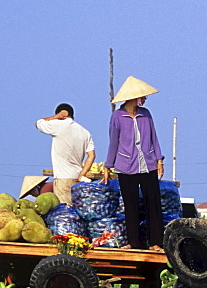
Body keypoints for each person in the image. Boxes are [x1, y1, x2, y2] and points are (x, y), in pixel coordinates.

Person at [102, 76, 165, 252]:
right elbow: (113, 142)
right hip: (125, 166)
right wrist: (108, 165)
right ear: (134, 98)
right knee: (131, 206)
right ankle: (134, 242)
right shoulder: (117, 117)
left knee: (153, 204)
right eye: (142, 96)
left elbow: (154, 137)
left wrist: (159, 160)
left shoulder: (146, 114)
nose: (145, 99)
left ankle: (155, 243)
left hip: (148, 164)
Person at [35, 103, 96, 206]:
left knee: (66, 214)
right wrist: (82, 174)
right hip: (78, 178)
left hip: (63, 178)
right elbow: (92, 155)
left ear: (62, 115)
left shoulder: (59, 125)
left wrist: (56, 117)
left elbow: (38, 123)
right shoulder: (85, 132)